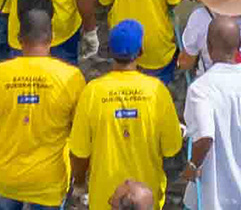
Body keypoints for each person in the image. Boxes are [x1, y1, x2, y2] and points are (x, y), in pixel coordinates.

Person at [0, 0, 90, 205]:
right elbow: (81, 137)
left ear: (19, 39)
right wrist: (80, 181)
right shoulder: (71, 78)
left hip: (7, 179)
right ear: (51, 39)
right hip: (50, 181)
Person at [76, 22, 189, 210]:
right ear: (141, 51)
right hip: (145, 198)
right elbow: (171, 148)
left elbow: (79, 152)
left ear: (110, 51)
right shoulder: (157, 91)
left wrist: (79, 184)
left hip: (104, 198)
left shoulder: (92, 92)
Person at [183, 12, 241, 210]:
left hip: (214, 199)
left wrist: (192, 166)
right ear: (238, 46)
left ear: (209, 48)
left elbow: (205, 137)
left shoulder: (201, 89)